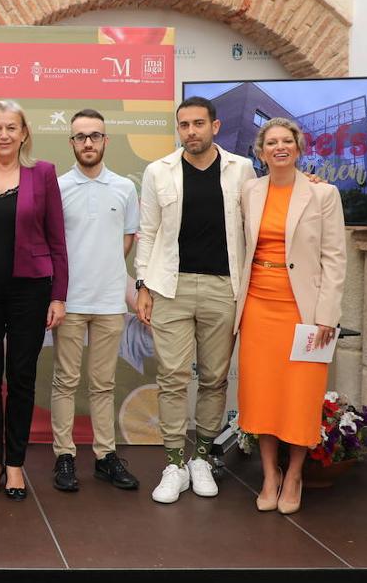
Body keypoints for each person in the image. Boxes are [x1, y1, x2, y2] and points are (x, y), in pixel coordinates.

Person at [134, 96, 256, 504]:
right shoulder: (159, 171)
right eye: (184, 125)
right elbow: (148, 231)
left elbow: (261, 214)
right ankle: (174, 463)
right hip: (171, 286)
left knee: (215, 377)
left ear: (215, 127)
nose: (191, 132)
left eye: (198, 124)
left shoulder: (242, 170)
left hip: (224, 287)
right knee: (171, 378)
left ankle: (201, 458)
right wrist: (142, 285)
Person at [235, 117, 345, 515]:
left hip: (306, 312)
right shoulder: (249, 190)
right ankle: (269, 475)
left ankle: (295, 473)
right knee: (262, 396)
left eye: (286, 141)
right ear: (261, 151)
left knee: (300, 398)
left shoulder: (323, 194)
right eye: (271, 142)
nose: (279, 147)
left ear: (298, 149)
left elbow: (335, 259)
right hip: (258, 308)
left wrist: (326, 318)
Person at [0, 100, 68, 501]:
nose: (4, 135)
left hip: (30, 291)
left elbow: (57, 240)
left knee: (21, 378)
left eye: (11, 127)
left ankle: (16, 464)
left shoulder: (43, 174)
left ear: (24, 133)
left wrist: (59, 296)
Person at [50, 109, 140, 492]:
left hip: (109, 302)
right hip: (68, 301)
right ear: (71, 143)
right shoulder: (56, 187)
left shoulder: (124, 187)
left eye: (95, 135)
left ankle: (105, 456)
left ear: (106, 141)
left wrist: (106, 269)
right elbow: (51, 244)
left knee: (103, 384)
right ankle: (64, 456)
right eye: (80, 136)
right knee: (65, 381)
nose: (88, 142)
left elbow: (129, 237)